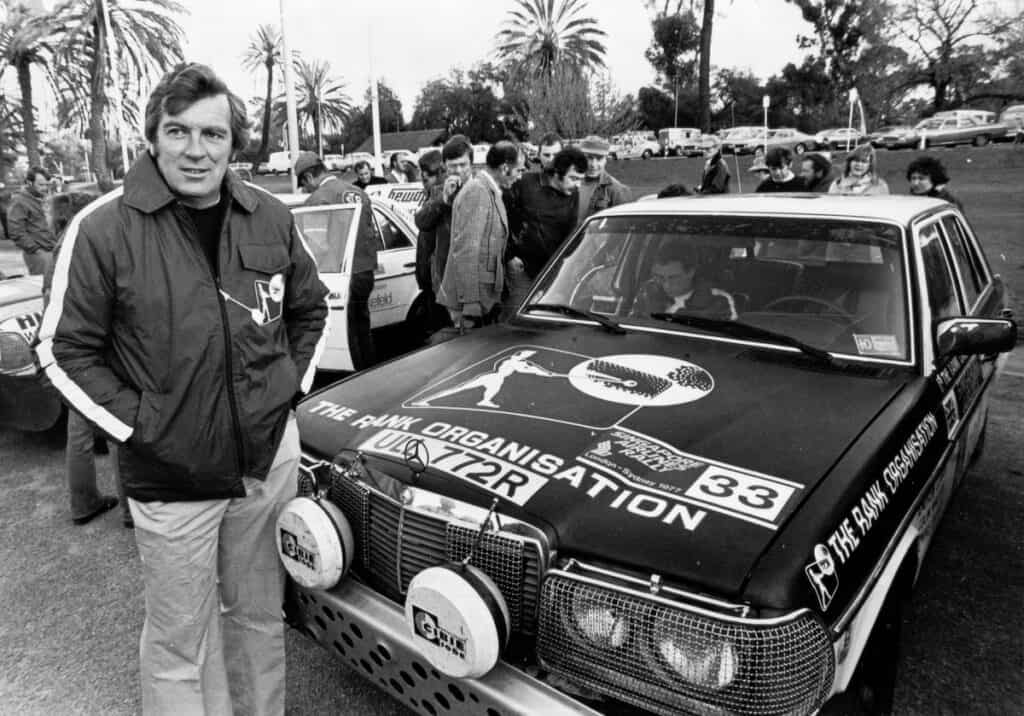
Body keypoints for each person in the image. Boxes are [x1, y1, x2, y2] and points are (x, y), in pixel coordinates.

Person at [35, 63, 328, 716]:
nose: (196, 150)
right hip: (170, 473)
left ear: (233, 143)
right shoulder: (104, 228)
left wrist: (283, 394)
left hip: (266, 465)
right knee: (179, 643)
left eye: (213, 134)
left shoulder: (270, 216)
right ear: (153, 137)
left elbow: (308, 310)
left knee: (258, 618)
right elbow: (61, 350)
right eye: (178, 131)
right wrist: (146, 428)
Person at [42, 190, 130, 528]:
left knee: (78, 430)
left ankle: (83, 501)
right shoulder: (85, 243)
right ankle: (130, 510)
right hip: (96, 350)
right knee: (117, 427)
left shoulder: (57, 250)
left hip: (71, 352)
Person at [295, 151, 378, 370]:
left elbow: (314, 248)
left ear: (309, 177)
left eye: (304, 185)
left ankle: (356, 379)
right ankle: (371, 371)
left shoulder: (317, 200)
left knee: (348, 334)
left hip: (341, 275)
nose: (305, 190)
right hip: (365, 272)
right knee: (362, 327)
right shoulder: (358, 192)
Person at [438, 140, 524, 330]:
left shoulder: (487, 190)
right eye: (518, 170)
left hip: (483, 296)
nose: (520, 176)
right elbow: (466, 250)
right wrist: (470, 304)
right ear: (505, 168)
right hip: (473, 301)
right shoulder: (478, 191)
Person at [506, 146, 587, 305]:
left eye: (580, 180)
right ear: (557, 173)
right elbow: (503, 219)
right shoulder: (525, 184)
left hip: (552, 272)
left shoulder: (573, 194)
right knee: (519, 314)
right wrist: (509, 257)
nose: (578, 185)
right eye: (573, 178)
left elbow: (570, 234)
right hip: (521, 269)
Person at [415, 134, 474, 310]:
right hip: (445, 284)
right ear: (445, 167)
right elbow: (421, 221)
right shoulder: (439, 192)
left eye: (463, 165)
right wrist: (444, 200)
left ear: (471, 164)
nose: (458, 171)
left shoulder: (482, 189)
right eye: (452, 166)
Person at [630, 242, 737, 321]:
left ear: (691, 272)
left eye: (673, 277)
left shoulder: (718, 300)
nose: (666, 285)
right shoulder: (648, 290)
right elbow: (632, 325)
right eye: (660, 277)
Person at [6, 166, 58, 276]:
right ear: (29, 183)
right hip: (38, 254)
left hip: (52, 250)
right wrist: (35, 250)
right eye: (41, 185)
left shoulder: (45, 199)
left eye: (47, 185)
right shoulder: (19, 201)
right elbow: (16, 231)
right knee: (44, 284)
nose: (45, 188)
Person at [576, 135, 632, 226]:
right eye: (589, 158)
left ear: (605, 160)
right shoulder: (569, 184)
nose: (593, 164)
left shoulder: (617, 190)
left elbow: (624, 226)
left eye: (599, 159)